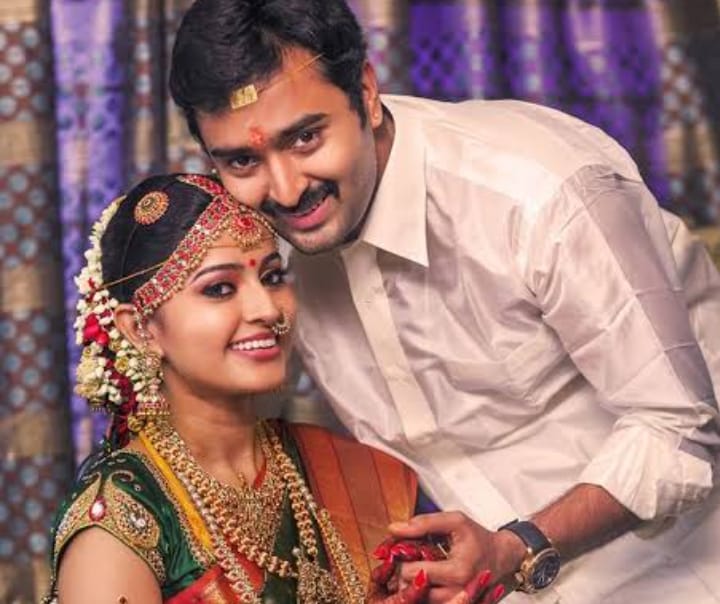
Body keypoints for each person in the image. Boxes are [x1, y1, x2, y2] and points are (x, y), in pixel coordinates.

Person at [167, 1, 720, 603]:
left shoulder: (536, 194)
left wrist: (516, 547)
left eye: (305, 137)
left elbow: (680, 431)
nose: (286, 188)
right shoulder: (258, 250)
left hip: (683, 574)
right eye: (243, 160)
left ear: (366, 93)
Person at [44, 173, 499, 604]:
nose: (266, 308)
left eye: (272, 277)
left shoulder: (352, 471)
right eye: (220, 289)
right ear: (140, 328)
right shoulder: (123, 518)